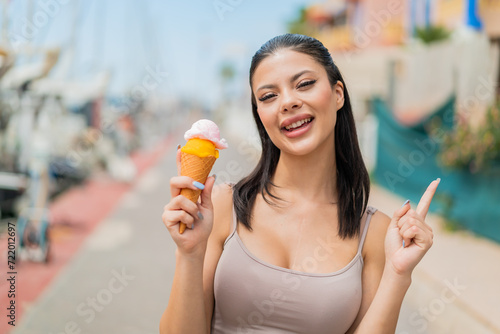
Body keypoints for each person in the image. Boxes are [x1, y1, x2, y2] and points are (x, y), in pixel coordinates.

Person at [160, 34, 439, 334]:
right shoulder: (222, 205)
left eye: (304, 84)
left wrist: (398, 274)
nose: (289, 102)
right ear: (260, 115)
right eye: (268, 96)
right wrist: (189, 254)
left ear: (337, 94)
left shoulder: (376, 233)